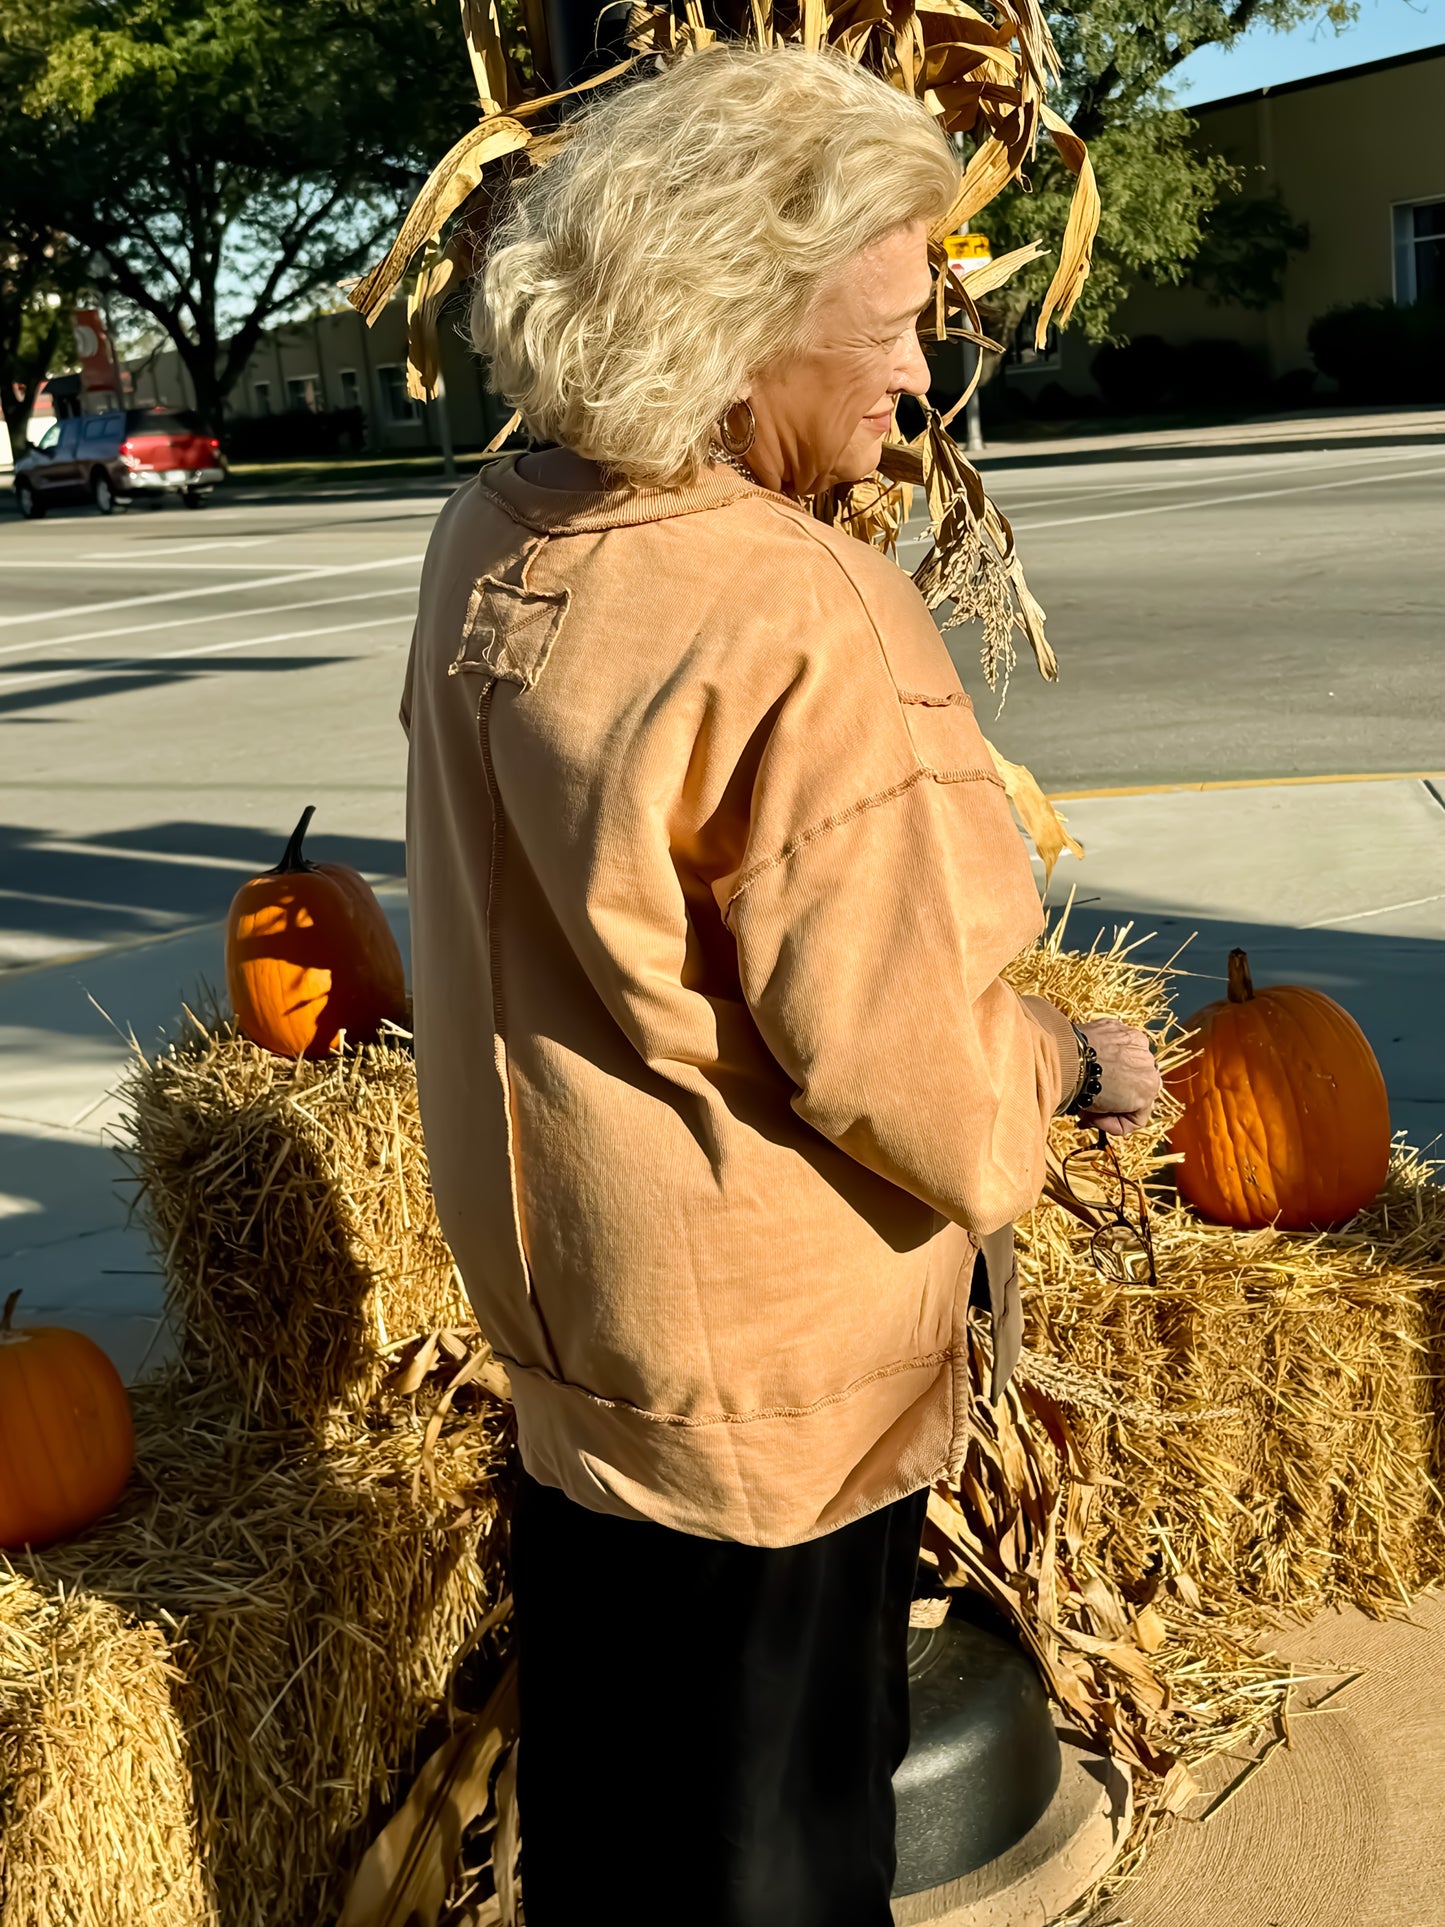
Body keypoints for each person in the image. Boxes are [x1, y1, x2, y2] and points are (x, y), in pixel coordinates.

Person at [402, 42, 1159, 1927]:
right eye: (893, 325)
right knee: (768, 1854)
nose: (921, 375)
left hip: (581, 1330)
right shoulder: (799, 611)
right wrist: (1064, 1064)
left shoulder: (499, 529)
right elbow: (898, 1059)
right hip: (769, 1382)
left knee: (621, 1824)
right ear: (735, 330)